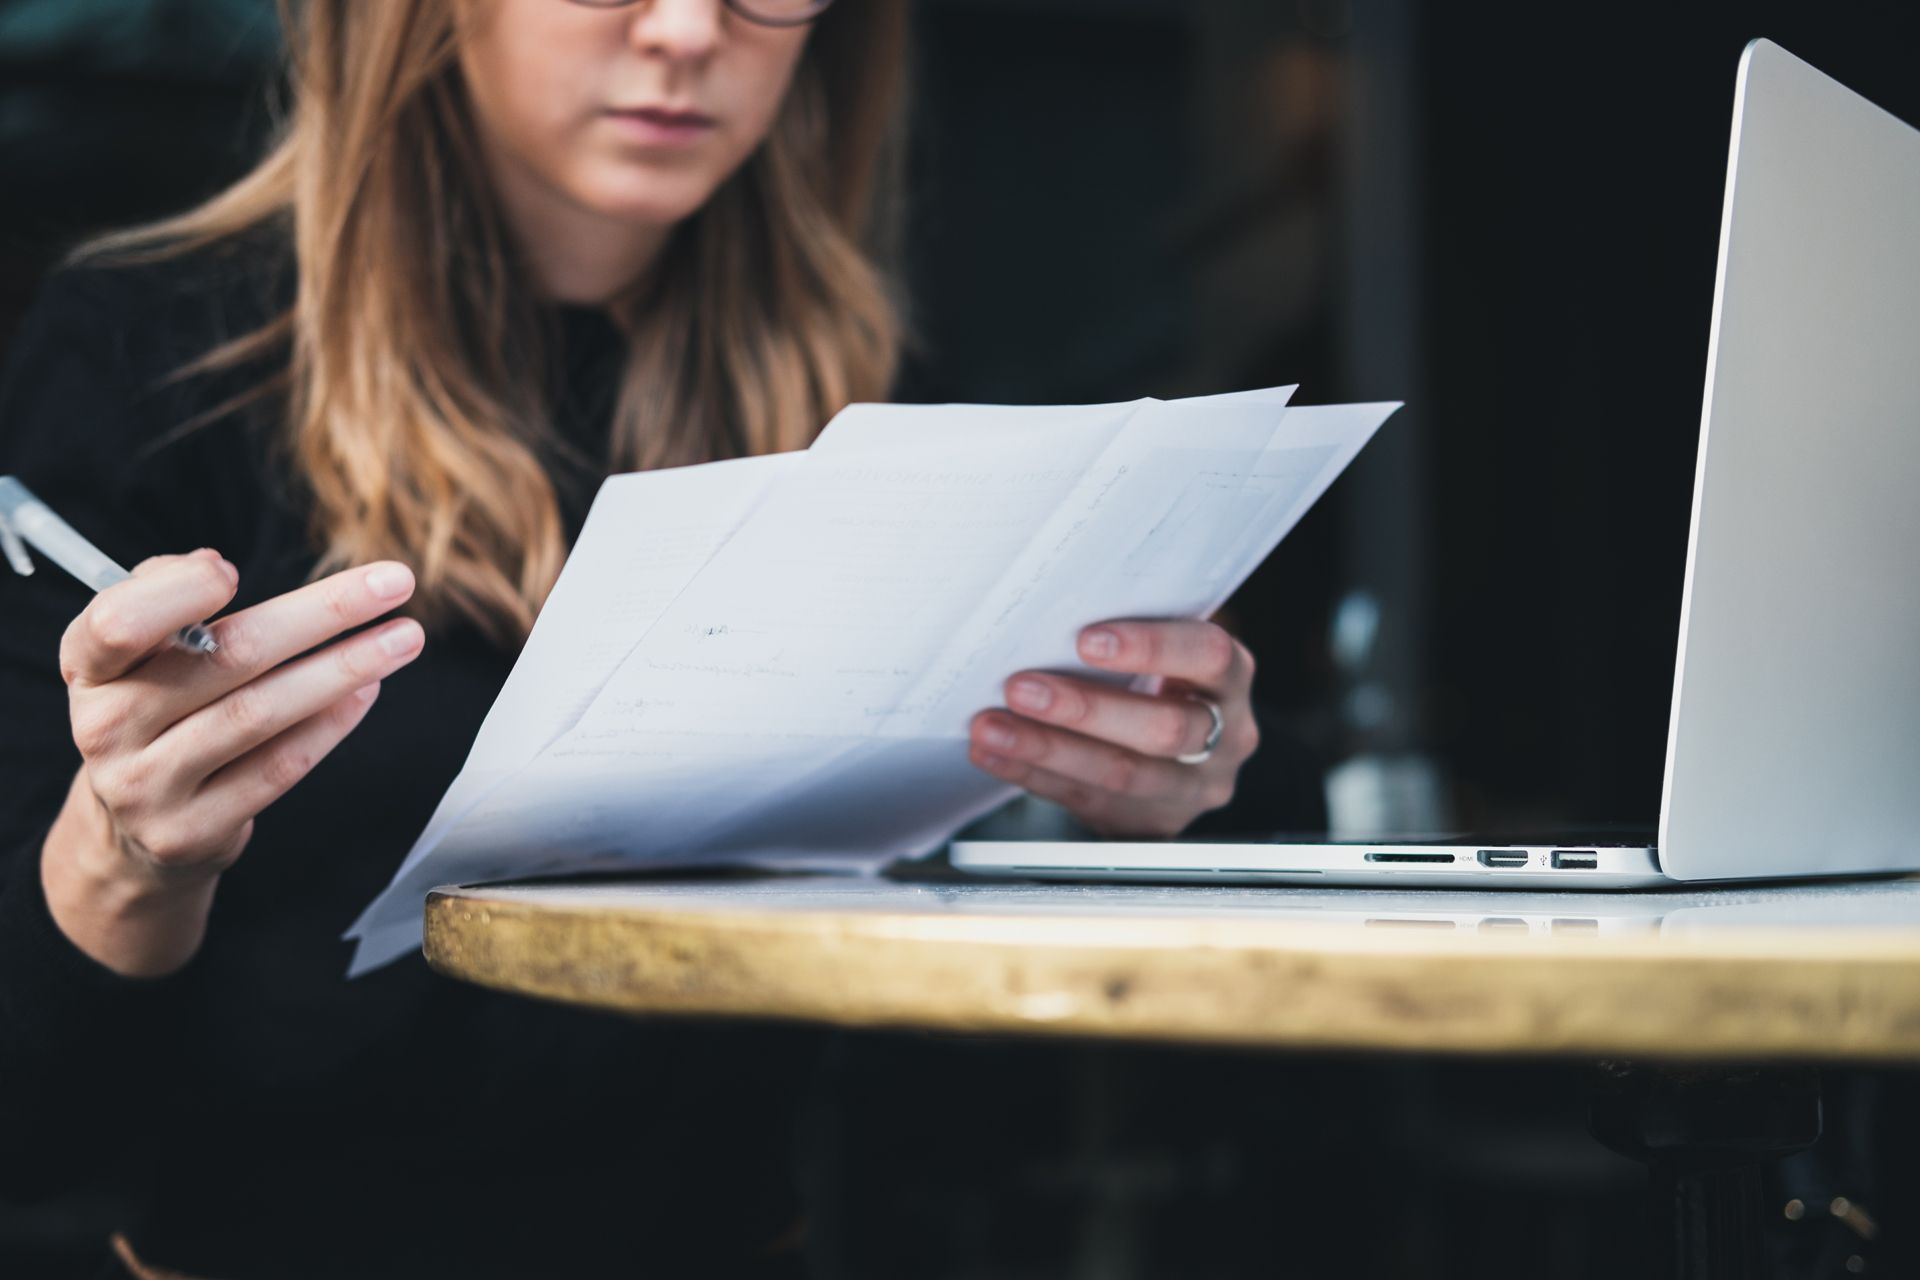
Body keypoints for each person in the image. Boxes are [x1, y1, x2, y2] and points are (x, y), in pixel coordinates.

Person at [0, 0, 1262, 1274]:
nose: (685, 31)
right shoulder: (145, 357)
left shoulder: (873, 385)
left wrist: (1169, 772)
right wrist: (118, 863)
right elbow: (31, 1123)